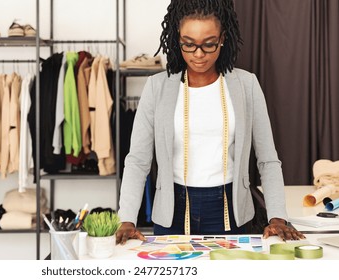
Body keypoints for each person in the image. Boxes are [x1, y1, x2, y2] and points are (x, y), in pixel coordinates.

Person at [116, 0, 305, 244]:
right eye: (188, 44)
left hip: (230, 212)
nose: (198, 54)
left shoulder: (247, 86)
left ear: (223, 38)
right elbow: (138, 160)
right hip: (172, 212)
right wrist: (127, 218)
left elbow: (268, 160)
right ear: (177, 39)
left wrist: (277, 216)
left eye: (208, 44)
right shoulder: (157, 87)